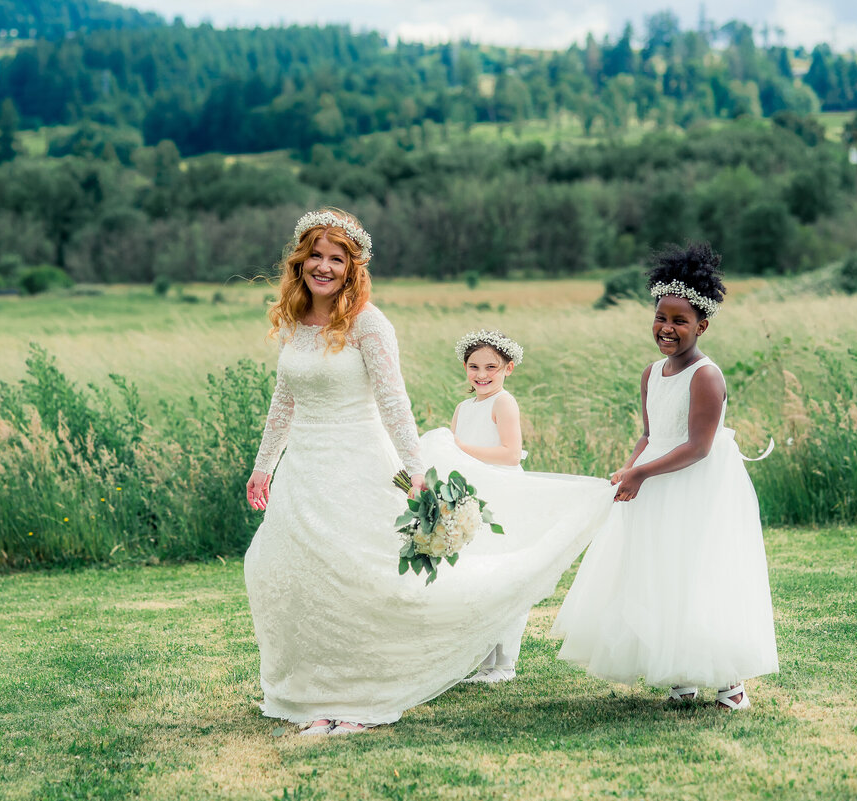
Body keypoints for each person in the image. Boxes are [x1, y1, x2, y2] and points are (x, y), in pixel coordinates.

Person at [243, 209, 614, 736]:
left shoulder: (368, 323)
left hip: (359, 463)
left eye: (337, 259)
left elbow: (394, 401)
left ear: (352, 268)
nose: (324, 267)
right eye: (316, 256)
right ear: (300, 261)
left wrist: (415, 471)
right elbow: (284, 401)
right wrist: (264, 469)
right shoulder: (294, 321)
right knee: (287, 573)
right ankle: (311, 693)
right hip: (304, 467)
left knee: (356, 576)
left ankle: (358, 697)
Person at [551, 242, 778, 710]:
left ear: (702, 325)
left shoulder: (706, 376)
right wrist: (629, 468)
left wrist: (643, 473)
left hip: (698, 485)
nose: (667, 329)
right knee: (658, 572)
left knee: (699, 571)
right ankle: (679, 672)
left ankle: (729, 682)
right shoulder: (651, 373)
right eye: (661, 317)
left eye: (680, 321)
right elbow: (652, 433)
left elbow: (697, 446)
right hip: (655, 480)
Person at [419, 330, 612, 685]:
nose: (482, 374)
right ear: (465, 368)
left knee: (506, 573)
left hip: (503, 496)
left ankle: (504, 663)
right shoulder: (463, 409)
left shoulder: (503, 402)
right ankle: (484, 662)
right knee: (479, 578)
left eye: (491, 367)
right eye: (474, 366)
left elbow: (508, 454)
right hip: (471, 498)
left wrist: (457, 447)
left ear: (508, 368)